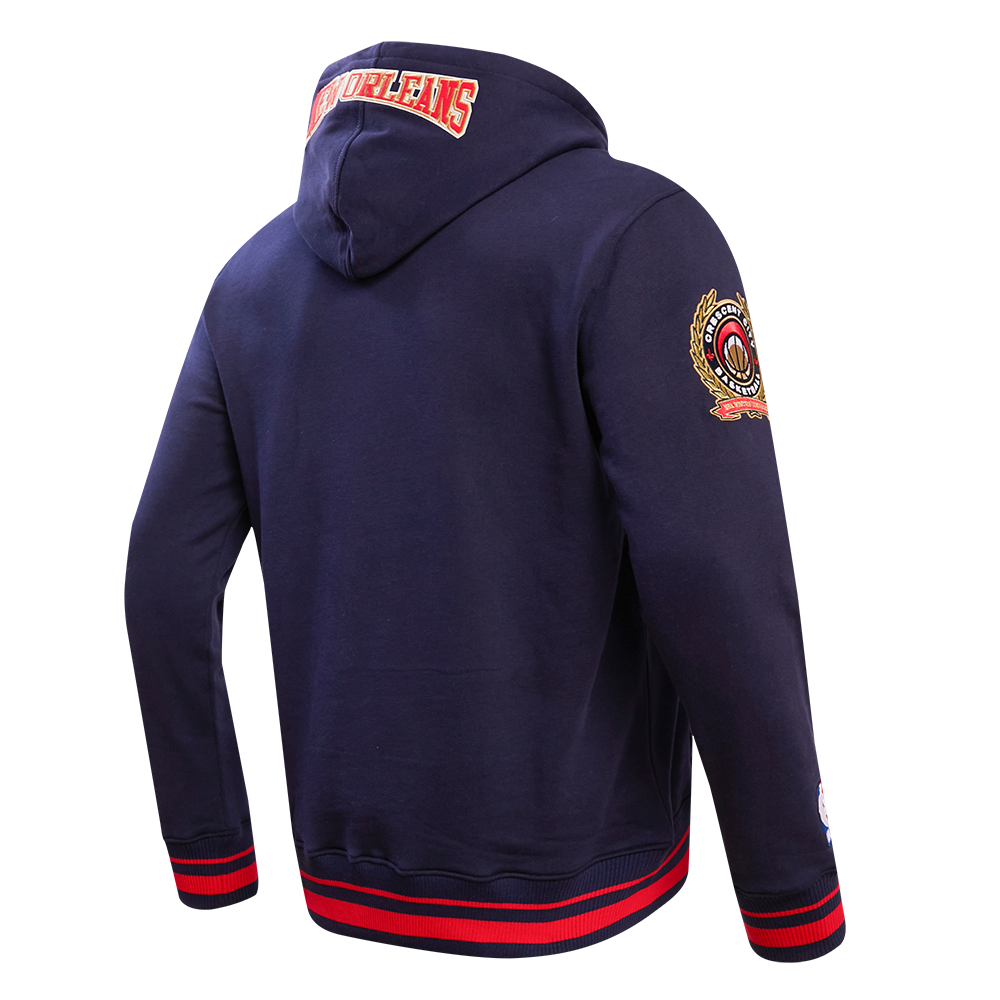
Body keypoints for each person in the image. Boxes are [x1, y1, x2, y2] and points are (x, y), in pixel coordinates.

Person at [125, 40, 845, 962]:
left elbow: (159, 572)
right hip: (586, 900)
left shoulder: (249, 283)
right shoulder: (631, 231)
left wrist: (208, 848)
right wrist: (791, 891)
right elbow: (716, 567)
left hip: (338, 892)